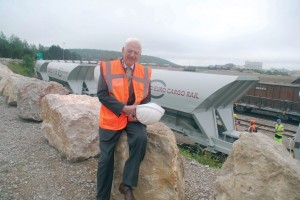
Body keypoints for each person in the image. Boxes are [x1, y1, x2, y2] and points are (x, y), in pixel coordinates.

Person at [96, 37, 152, 200]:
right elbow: (102, 95)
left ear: (140, 55)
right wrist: (122, 108)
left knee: (141, 139)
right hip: (113, 116)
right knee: (106, 159)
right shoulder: (107, 68)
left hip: (133, 117)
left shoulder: (145, 72)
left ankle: (127, 185)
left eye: (136, 52)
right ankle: (102, 197)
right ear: (123, 50)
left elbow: (147, 98)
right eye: (129, 51)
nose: (132, 55)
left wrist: (138, 111)